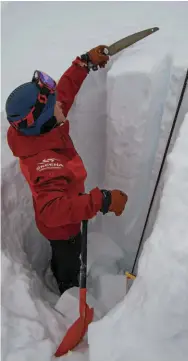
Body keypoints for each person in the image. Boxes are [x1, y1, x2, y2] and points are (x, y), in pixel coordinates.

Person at [6, 45, 128, 295]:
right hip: (63, 229)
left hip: (67, 208)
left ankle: (64, 273)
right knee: (68, 257)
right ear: (45, 119)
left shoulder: (40, 130)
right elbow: (54, 212)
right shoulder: (45, 163)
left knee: (69, 250)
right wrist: (102, 200)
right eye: (55, 106)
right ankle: (67, 287)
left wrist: (83, 63)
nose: (61, 105)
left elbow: (63, 95)